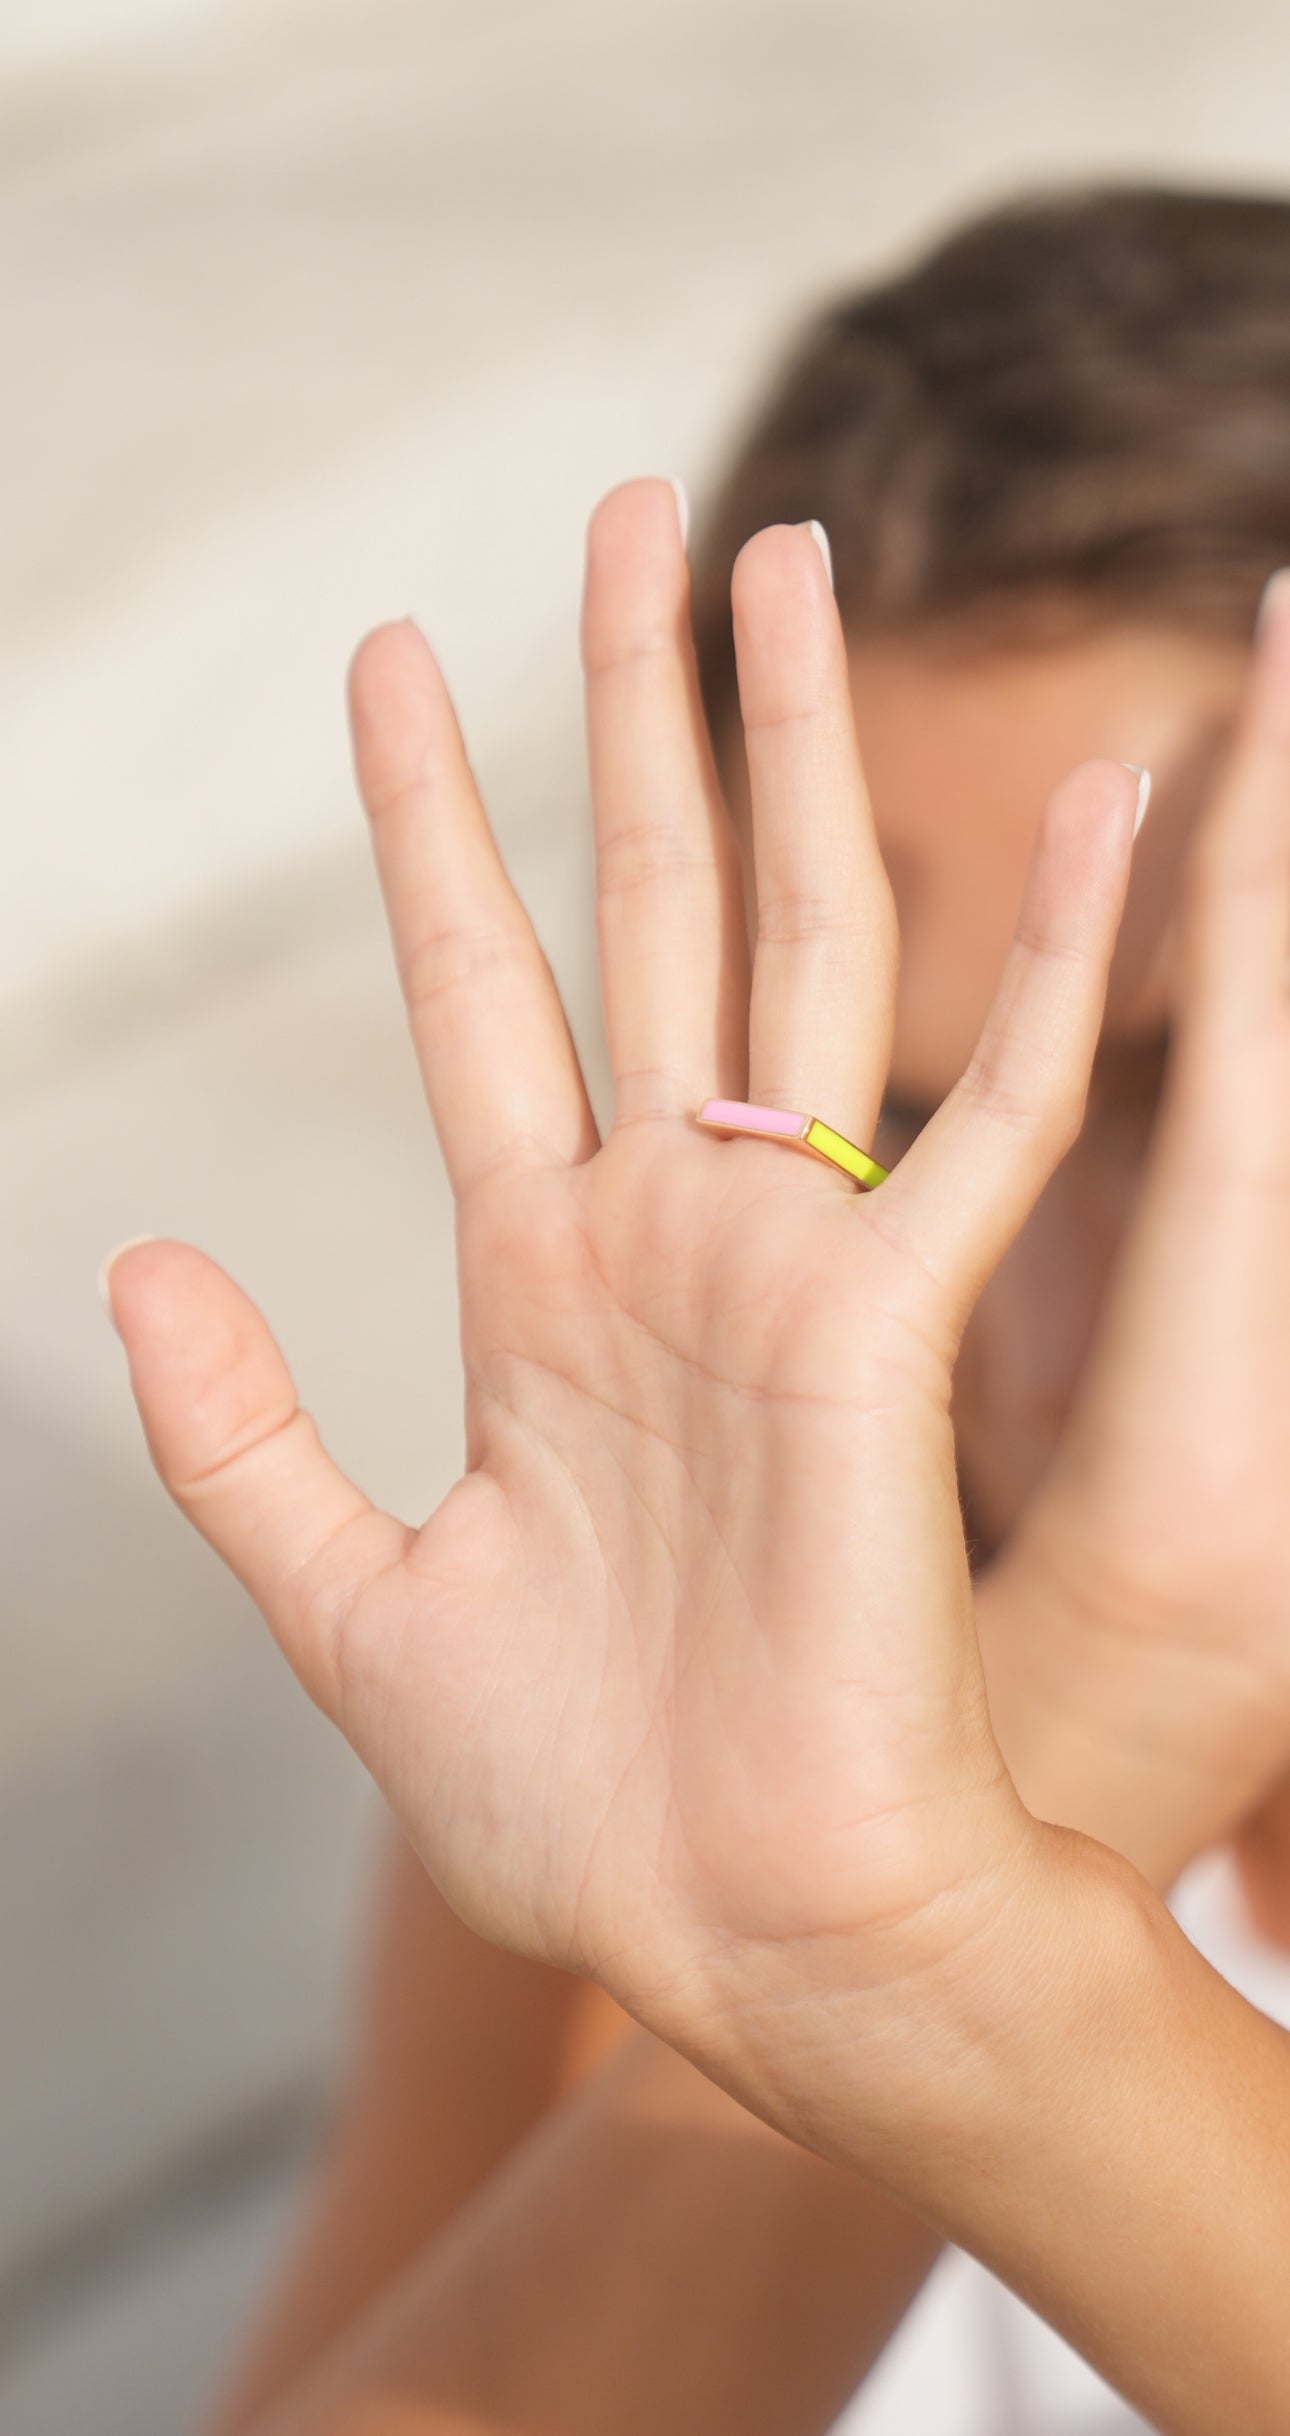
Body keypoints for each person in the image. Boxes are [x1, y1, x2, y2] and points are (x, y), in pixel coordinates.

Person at [101, 186, 1290, 2434]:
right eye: (873, 1126)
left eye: (1152, 1085)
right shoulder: (687, 1718)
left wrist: (1112, 1706)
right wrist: (1048, 1757)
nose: (1000, 1332)